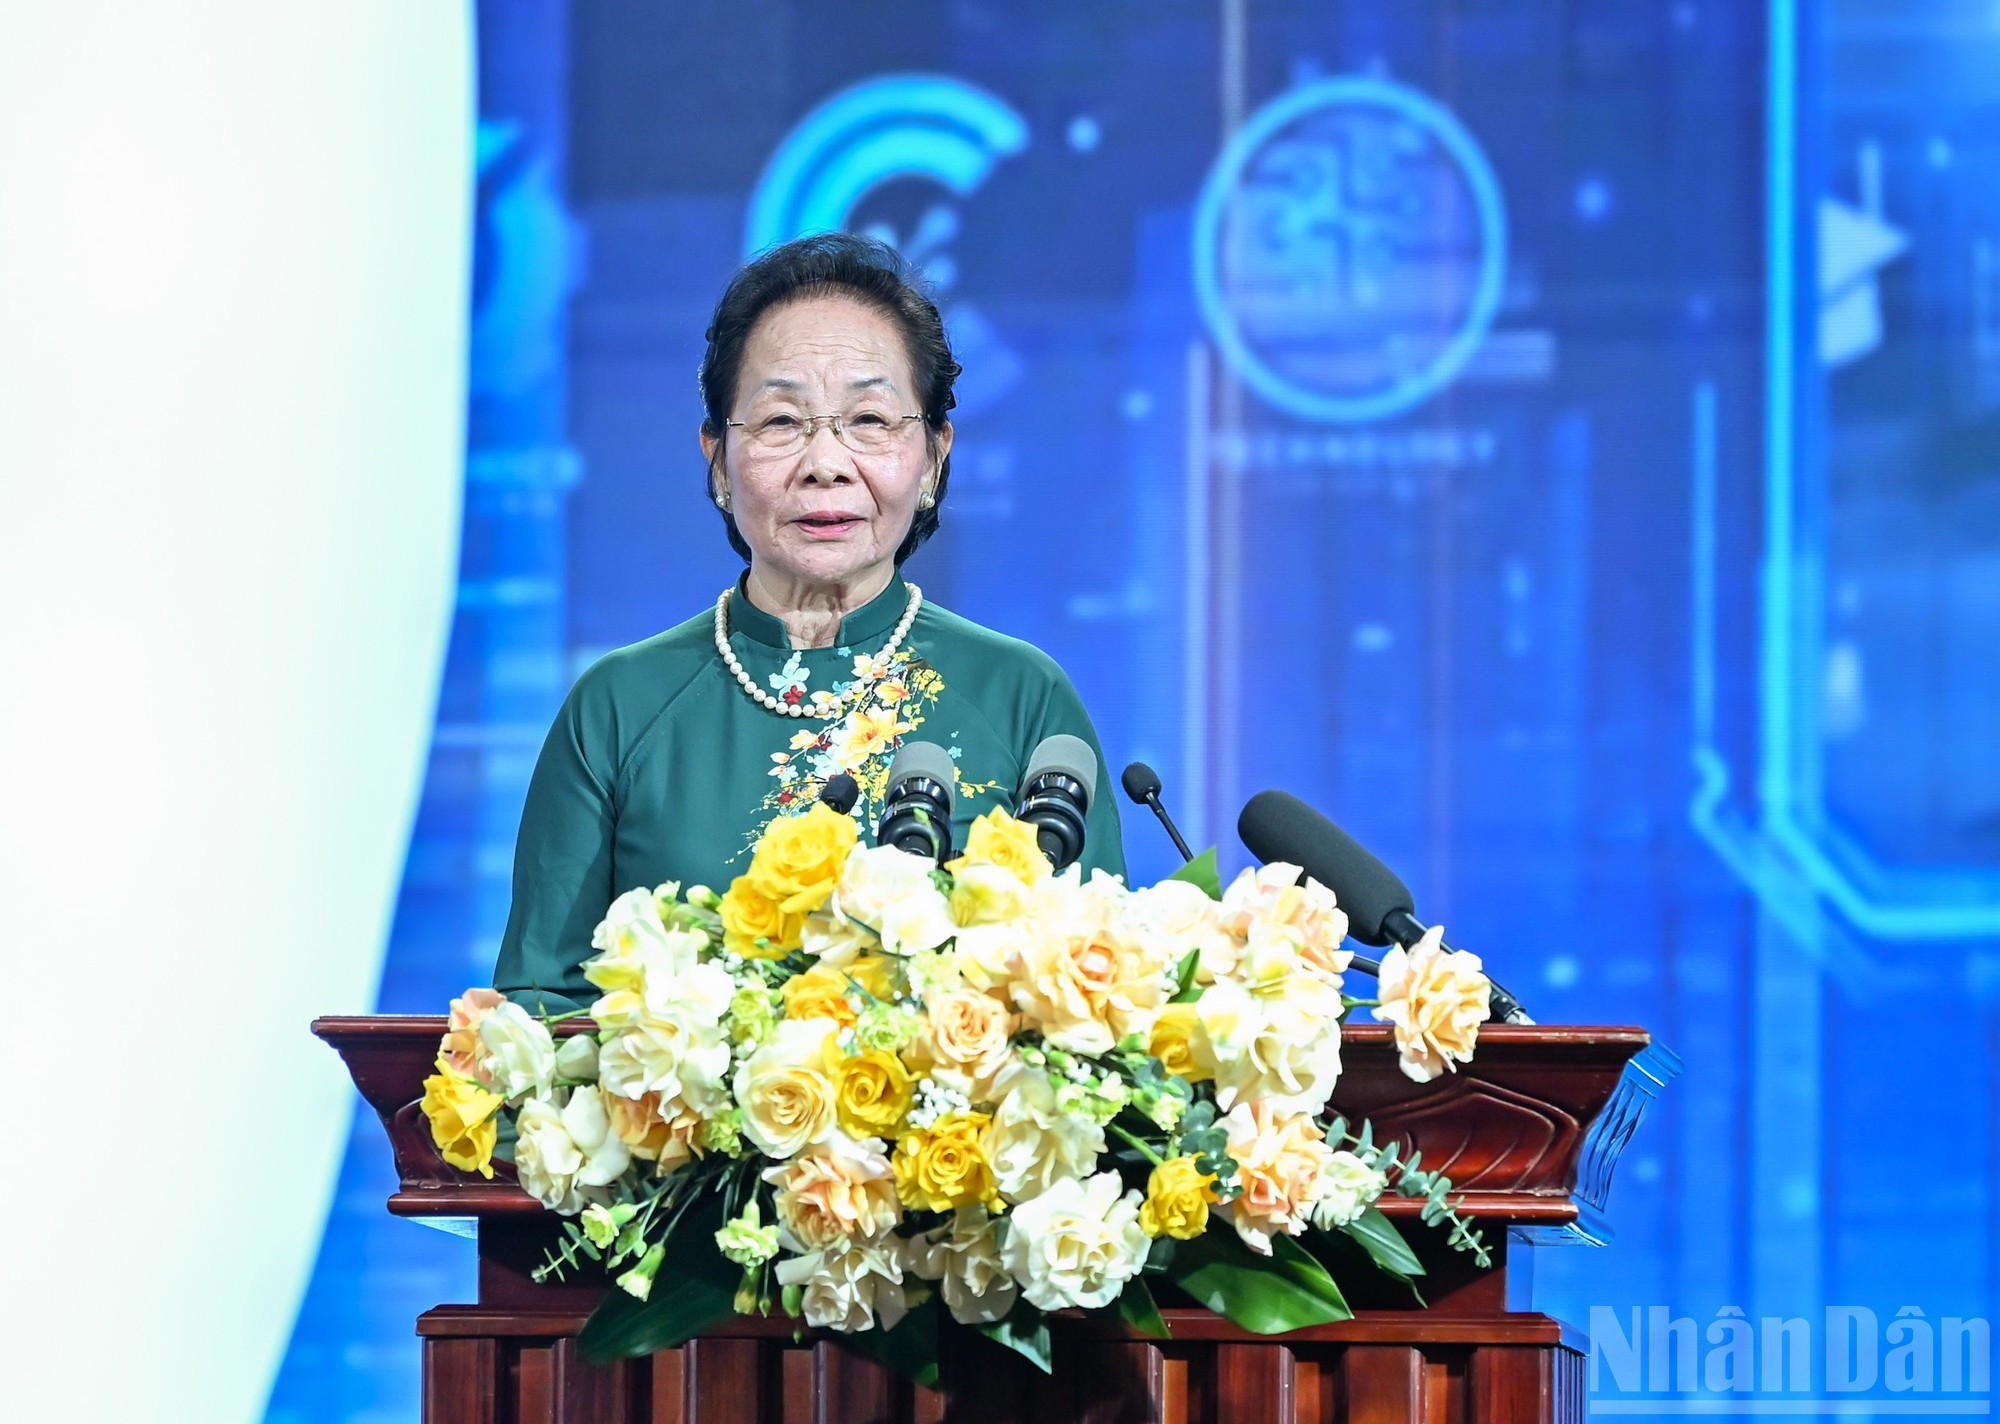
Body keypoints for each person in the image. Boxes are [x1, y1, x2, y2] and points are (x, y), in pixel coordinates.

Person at [494, 233, 1125, 1012]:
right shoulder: (619, 707)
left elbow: (1100, 1002)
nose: (825, 461)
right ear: (719, 461)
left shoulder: (1020, 697)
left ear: (931, 457)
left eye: (868, 419)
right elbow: (535, 1017)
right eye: (782, 422)